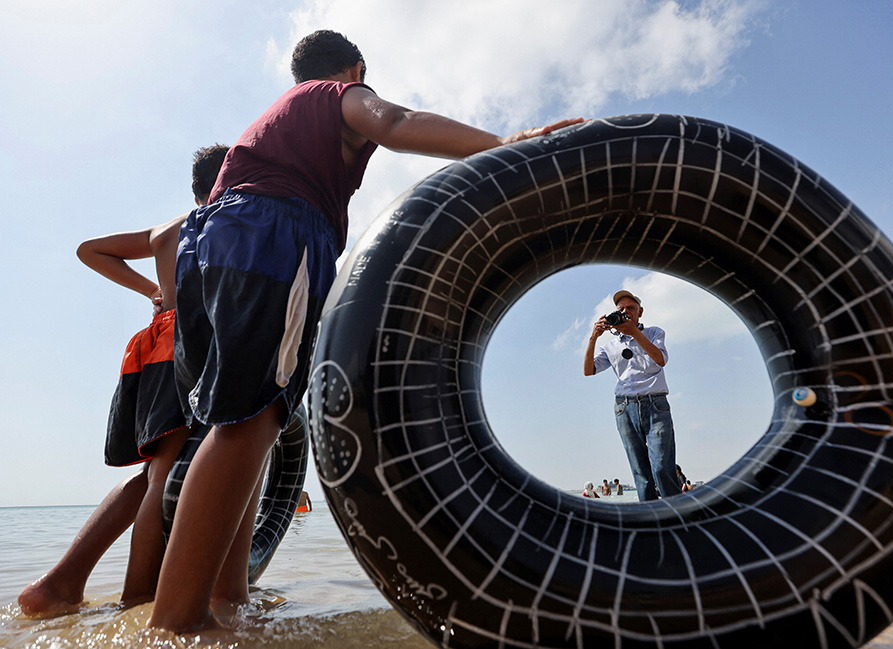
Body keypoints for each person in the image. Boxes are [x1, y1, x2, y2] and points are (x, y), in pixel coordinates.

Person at [147, 29, 583, 633]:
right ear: (354, 70)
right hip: (275, 238)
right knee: (250, 421)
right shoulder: (338, 95)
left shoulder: (274, 123)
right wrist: (504, 144)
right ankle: (177, 621)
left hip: (220, 247)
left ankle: (227, 595)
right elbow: (396, 121)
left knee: (253, 418)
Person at [18, 145, 228, 617]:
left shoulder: (166, 231)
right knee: (165, 475)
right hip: (186, 342)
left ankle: (60, 583)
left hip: (153, 344)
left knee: (154, 472)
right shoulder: (218, 220)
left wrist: (152, 289)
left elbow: (89, 250)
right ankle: (139, 599)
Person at [583, 289, 681, 502]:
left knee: (663, 467)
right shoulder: (611, 345)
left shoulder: (654, 333)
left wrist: (634, 332)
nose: (625, 312)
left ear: (640, 312)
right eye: (620, 309)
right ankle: (650, 522)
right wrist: (593, 337)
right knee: (640, 474)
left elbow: (660, 359)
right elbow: (588, 370)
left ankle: (678, 517)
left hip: (656, 404)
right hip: (624, 407)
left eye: (630, 308)